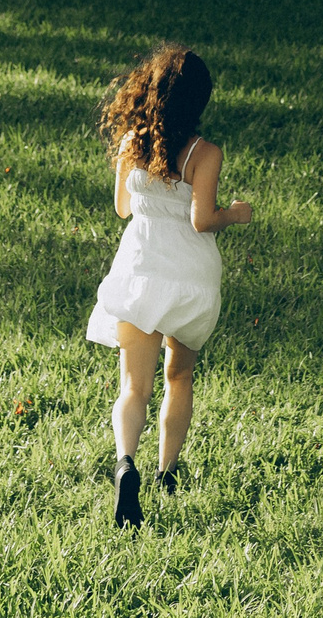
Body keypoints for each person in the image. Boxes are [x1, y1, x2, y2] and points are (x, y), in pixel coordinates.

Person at [88, 43, 254, 527]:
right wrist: (235, 214)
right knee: (178, 376)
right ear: (200, 101)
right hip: (188, 278)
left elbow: (123, 209)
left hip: (139, 270)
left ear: (151, 92)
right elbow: (202, 220)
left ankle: (125, 463)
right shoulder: (205, 153)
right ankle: (167, 473)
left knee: (133, 386)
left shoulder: (132, 142)